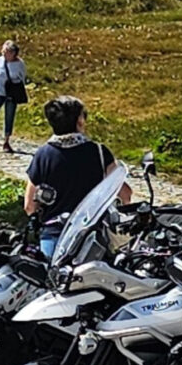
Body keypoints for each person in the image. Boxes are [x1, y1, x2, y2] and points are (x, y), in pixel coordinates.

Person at [23, 94, 126, 258]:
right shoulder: (99, 152)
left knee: (48, 273)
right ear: (80, 121)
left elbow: (29, 205)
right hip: (91, 238)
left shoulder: (43, 155)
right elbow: (124, 194)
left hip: (54, 235)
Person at [0, 38, 28, 150]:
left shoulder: (19, 64)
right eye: (3, 51)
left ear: (13, 53)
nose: (4, 53)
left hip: (11, 93)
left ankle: (6, 141)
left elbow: (22, 77)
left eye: (6, 52)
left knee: (9, 116)